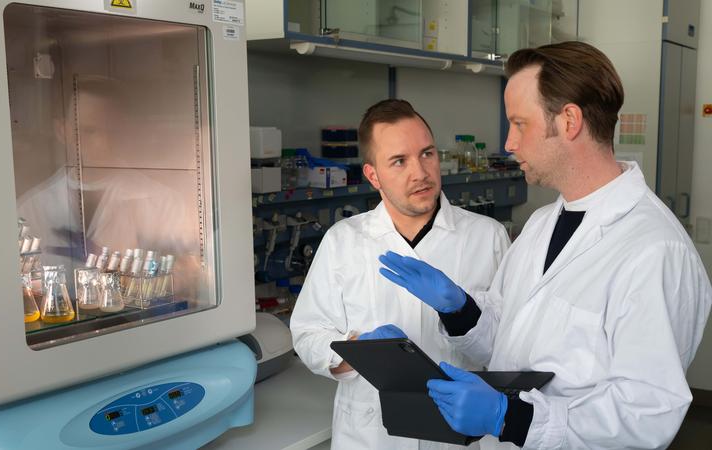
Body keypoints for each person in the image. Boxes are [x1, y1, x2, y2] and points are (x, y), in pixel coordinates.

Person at [378, 41, 712, 449]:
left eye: (520, 124)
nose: (508, 144)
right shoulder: (542, 224)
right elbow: (508, 340)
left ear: (569, 121)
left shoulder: (654, 249)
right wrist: (461, 310)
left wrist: (512, 418)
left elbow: (646, 414)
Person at [290, 99, 510, 449]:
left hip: (456, 437)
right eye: (399, 161)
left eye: (427, 154)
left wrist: (463, 314)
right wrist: (353, 352)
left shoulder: (488, 237)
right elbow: (306, 333)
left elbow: (510, 344)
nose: (420, 173)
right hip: (369, 435)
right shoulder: (344, 240)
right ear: (373, 174)